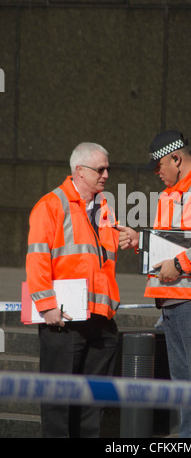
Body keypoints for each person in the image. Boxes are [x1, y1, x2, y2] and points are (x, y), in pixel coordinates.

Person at [119, 130, 191, 438]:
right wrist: (139, 240)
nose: (157, 173)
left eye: (159, 166)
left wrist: (180, 265)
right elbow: (168, 244)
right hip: (175, 301)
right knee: (185, 384)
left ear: (176, 158)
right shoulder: (173, 193)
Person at [25, 142, 120, 438]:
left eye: (107, 168)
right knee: (59, 404)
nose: (106, 175)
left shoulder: (104, 206)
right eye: (99, 169)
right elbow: (37, 259)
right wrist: (46, 306)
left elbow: (101, 258)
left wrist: (126, 237)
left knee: (92, 404)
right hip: (63, 320)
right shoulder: (51, 205)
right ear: (79, 171)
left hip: (99, 319)